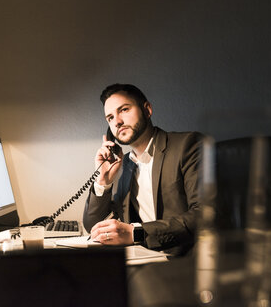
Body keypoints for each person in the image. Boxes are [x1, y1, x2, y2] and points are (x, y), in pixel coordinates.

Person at [83, 84, 204, 255]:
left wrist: (136, 233)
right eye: (110, 118)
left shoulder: (188, 145)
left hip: (188, 263)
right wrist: (103, 181)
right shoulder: (125, 166)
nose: (117, 121)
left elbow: (205, 214)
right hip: (146, 263)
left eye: (124, 109)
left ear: (147, 110)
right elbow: (94, 227)